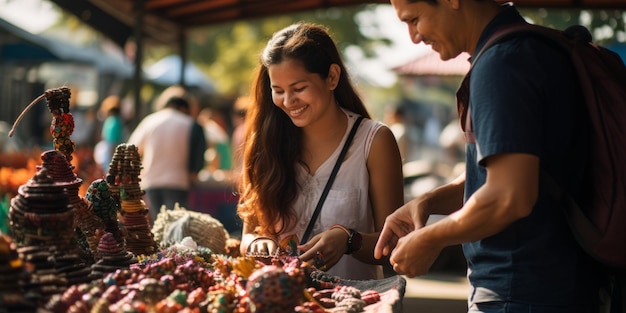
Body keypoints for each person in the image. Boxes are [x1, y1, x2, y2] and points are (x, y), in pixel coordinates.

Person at [375, 1, 607, 312]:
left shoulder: (502, 63)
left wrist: (430, 239)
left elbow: (510, 196)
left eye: (414, 19)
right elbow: (502, 174)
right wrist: (428, 202)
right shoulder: (529, 50)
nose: (413, 36)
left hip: (521, 293)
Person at [236, 22, 404, 281]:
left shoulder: (374, 141)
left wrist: (349, 240)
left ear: (332, 77)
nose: (289, 102)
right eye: (278, 91)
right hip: (282, 300)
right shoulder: (267, 142)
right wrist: (256, 243)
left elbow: (393, 243)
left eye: (299, 88)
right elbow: (248, 233)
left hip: (355, 301)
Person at [127, 95, 207, 223]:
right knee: (175, 226)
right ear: (184, 109)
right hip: (179, 182)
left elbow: (131, 149)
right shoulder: (191, 124)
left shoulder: (150, 121)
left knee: (157, 223)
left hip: (151, 181)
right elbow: (198, 156)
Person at [95, 95, 125, 173]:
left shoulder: (112, 122)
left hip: (109, 157)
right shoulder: (117, 121)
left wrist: (113, 164)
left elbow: (112, 144)